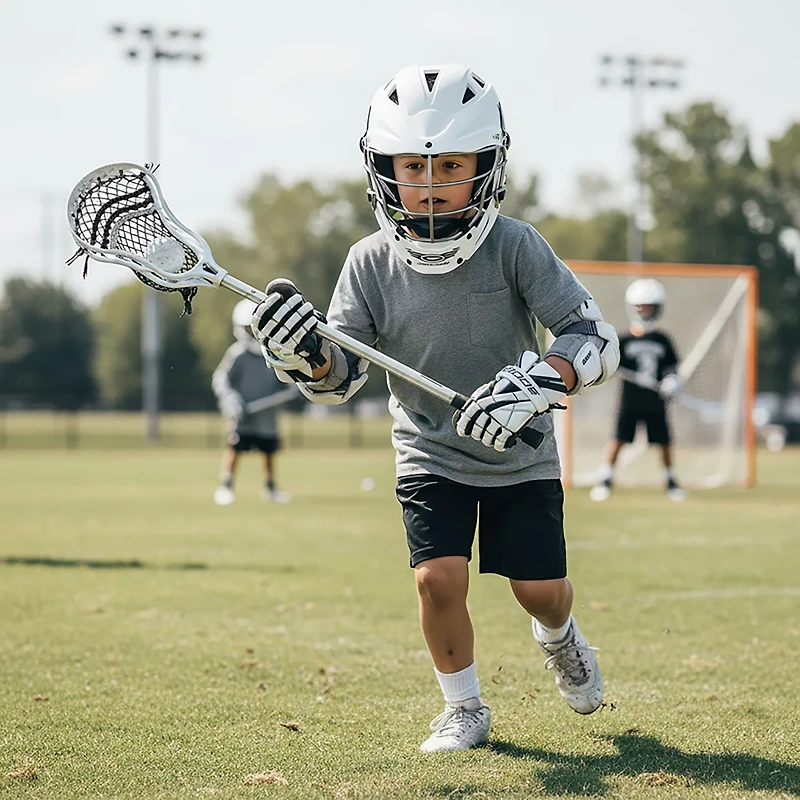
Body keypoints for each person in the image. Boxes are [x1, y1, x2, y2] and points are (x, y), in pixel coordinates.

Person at [248, 64, 620, 752]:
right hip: (428, 449)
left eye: (449, 165)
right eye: (412, 166)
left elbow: (592, 335)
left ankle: (560, 637)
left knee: (540, 591)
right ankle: (464, 709)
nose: (428, 183)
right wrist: (306, 355)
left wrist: (540, 381)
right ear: (382, 170)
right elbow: (340, 375)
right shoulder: (367, 262)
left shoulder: (515, 245)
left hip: (519, 450)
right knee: (437, 579)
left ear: (487, 165)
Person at [590, 278, 686, 503]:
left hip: (656, 400)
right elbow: (610, 365)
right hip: (630, 400)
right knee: (619, 439)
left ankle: (670, 481)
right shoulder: (622, 340)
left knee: (664, 442)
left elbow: (672, 369)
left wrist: (672, 381)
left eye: (650, 307)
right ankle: (605, 479)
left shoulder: (663, 340)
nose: (646, 311)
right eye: (642, 307)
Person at [211, 299, 292, 506]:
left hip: (266, 414)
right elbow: (221, 378)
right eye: (248, 328)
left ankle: (271, 488)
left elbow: (283, 380)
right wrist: (230, 400)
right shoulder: (238, 354)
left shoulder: (273, 354)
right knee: (235, 448)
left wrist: (292, 386)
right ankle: (226, 486)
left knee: (269, 451)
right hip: (243, 413)